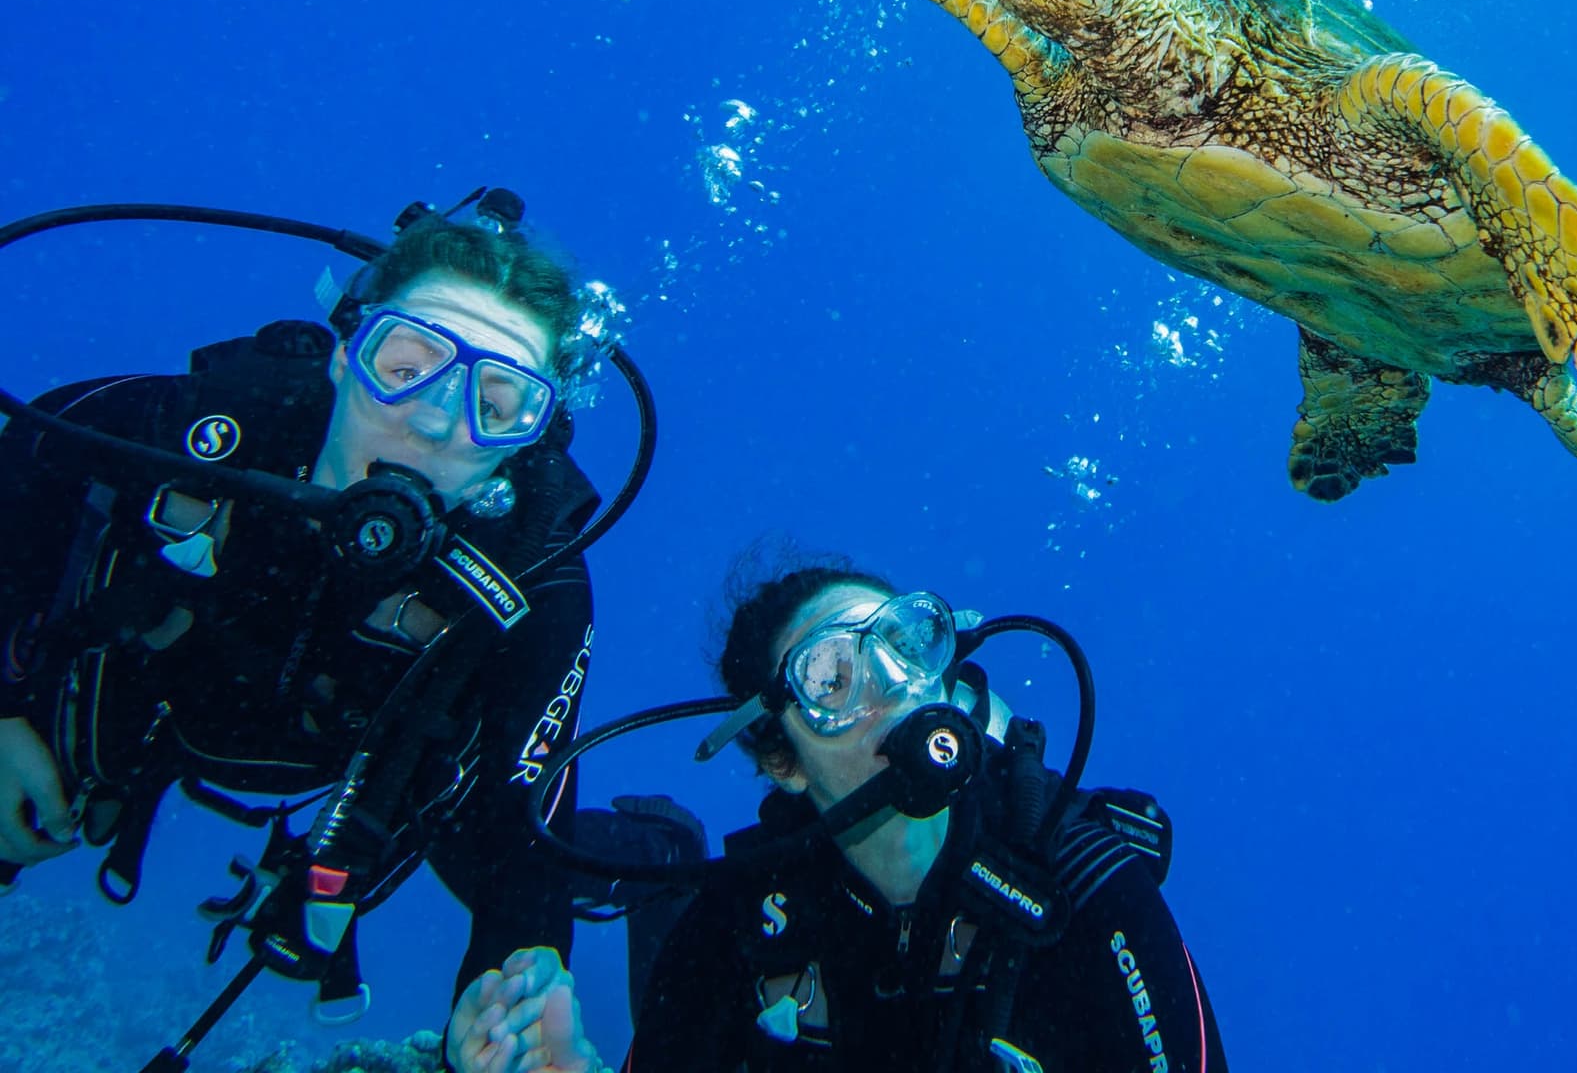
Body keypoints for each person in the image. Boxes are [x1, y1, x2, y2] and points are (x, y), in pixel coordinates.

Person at [0, 198, 611, 1017]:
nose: (435, 420)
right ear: (344, 354)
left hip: (359, 772)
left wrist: (516, 1001)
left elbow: (527, 830)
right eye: (405, 366)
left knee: (546, 857)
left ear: (524, 441)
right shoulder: (208, 428)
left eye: (495, 406)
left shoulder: (530, 577)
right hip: (123, 706)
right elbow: (24, 456)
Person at [447, 550, 1228, 1073]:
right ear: (782, 761)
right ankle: (667, 854)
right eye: (831, 677)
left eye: (907, 644)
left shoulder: (1075, 874)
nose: (893, 684)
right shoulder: (736, 923)